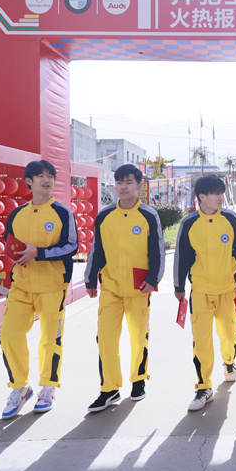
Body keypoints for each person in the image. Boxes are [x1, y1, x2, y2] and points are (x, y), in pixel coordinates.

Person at [0, 160, 78, 419]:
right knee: (9, 335)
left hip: (52, 286)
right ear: (29, 181)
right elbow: (9, 242)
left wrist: (39, 252)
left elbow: (72, 246)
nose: (47, 180)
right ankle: (20, 387)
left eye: (50, 176)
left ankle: (48, 387)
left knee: (50, 339)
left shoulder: (62, 213)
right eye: (40, 176)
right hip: (21, 286)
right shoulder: (17, 214)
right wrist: (18, 254)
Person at [85, 164, 165, 411]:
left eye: (129, 182)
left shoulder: (149, 215)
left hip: (139, 288)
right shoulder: (105, 216)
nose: (123, 187)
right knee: (106, 338)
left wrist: (153, 279)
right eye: (119, 182)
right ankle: (109, 389)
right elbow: (97, 249)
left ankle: (138, 380)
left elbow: (157, 251)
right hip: (110, 287)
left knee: (138, 336)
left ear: (139, 185)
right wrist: (90, 279)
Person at [174, 175, 236, 412]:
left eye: (221, 192)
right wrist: (179, 286)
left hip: (227, 289)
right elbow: (182, 256)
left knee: (228, 334)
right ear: (202, 197)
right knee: (201, 341)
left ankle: (229, 361)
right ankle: (203, 387)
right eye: (215, 193)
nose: (220, 197)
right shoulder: (189, 223)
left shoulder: (231, 219)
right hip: (200, 291)